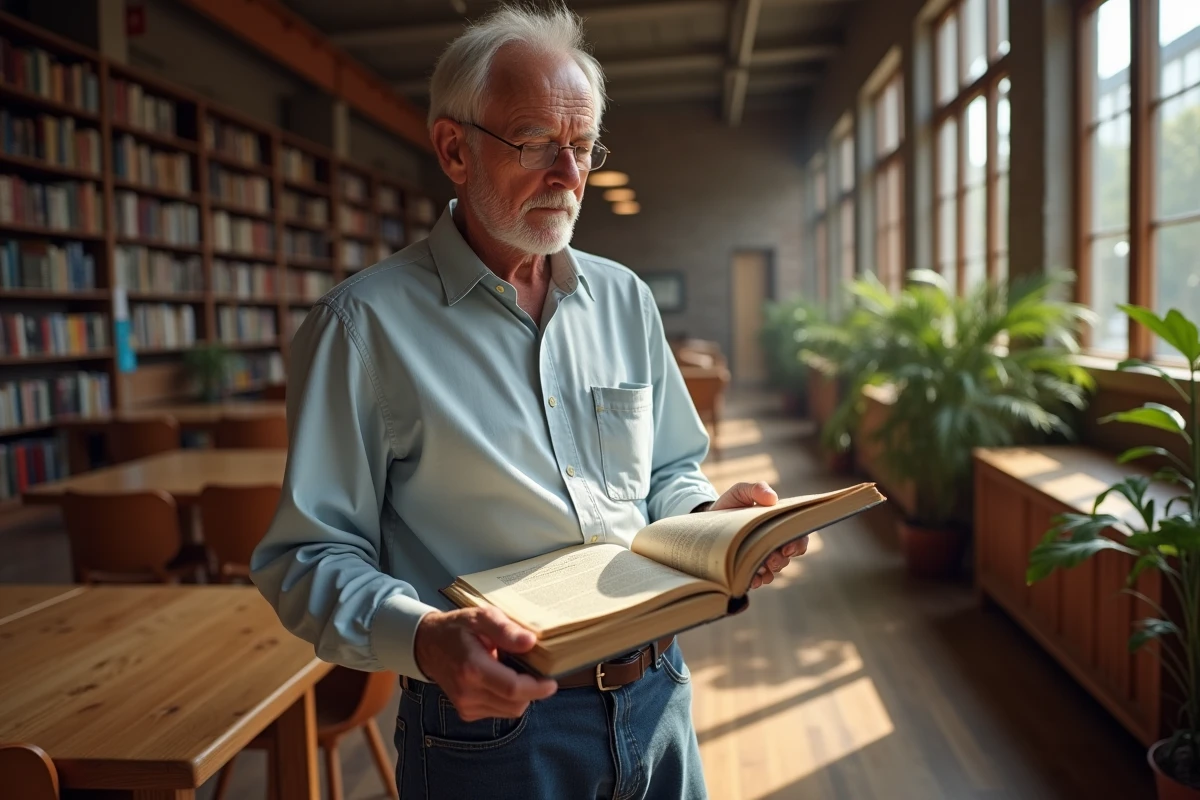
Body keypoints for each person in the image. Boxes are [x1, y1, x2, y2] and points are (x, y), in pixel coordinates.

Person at [251, 5, 805, 798]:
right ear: (454, 148)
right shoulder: (360, 330)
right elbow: (304, 559)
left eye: (581, 147)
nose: (570, 176)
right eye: (539, 145)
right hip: (488, 734)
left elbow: (670, 471)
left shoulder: (624, 299)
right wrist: (424, 638)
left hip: (660, 693)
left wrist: (716, 518)